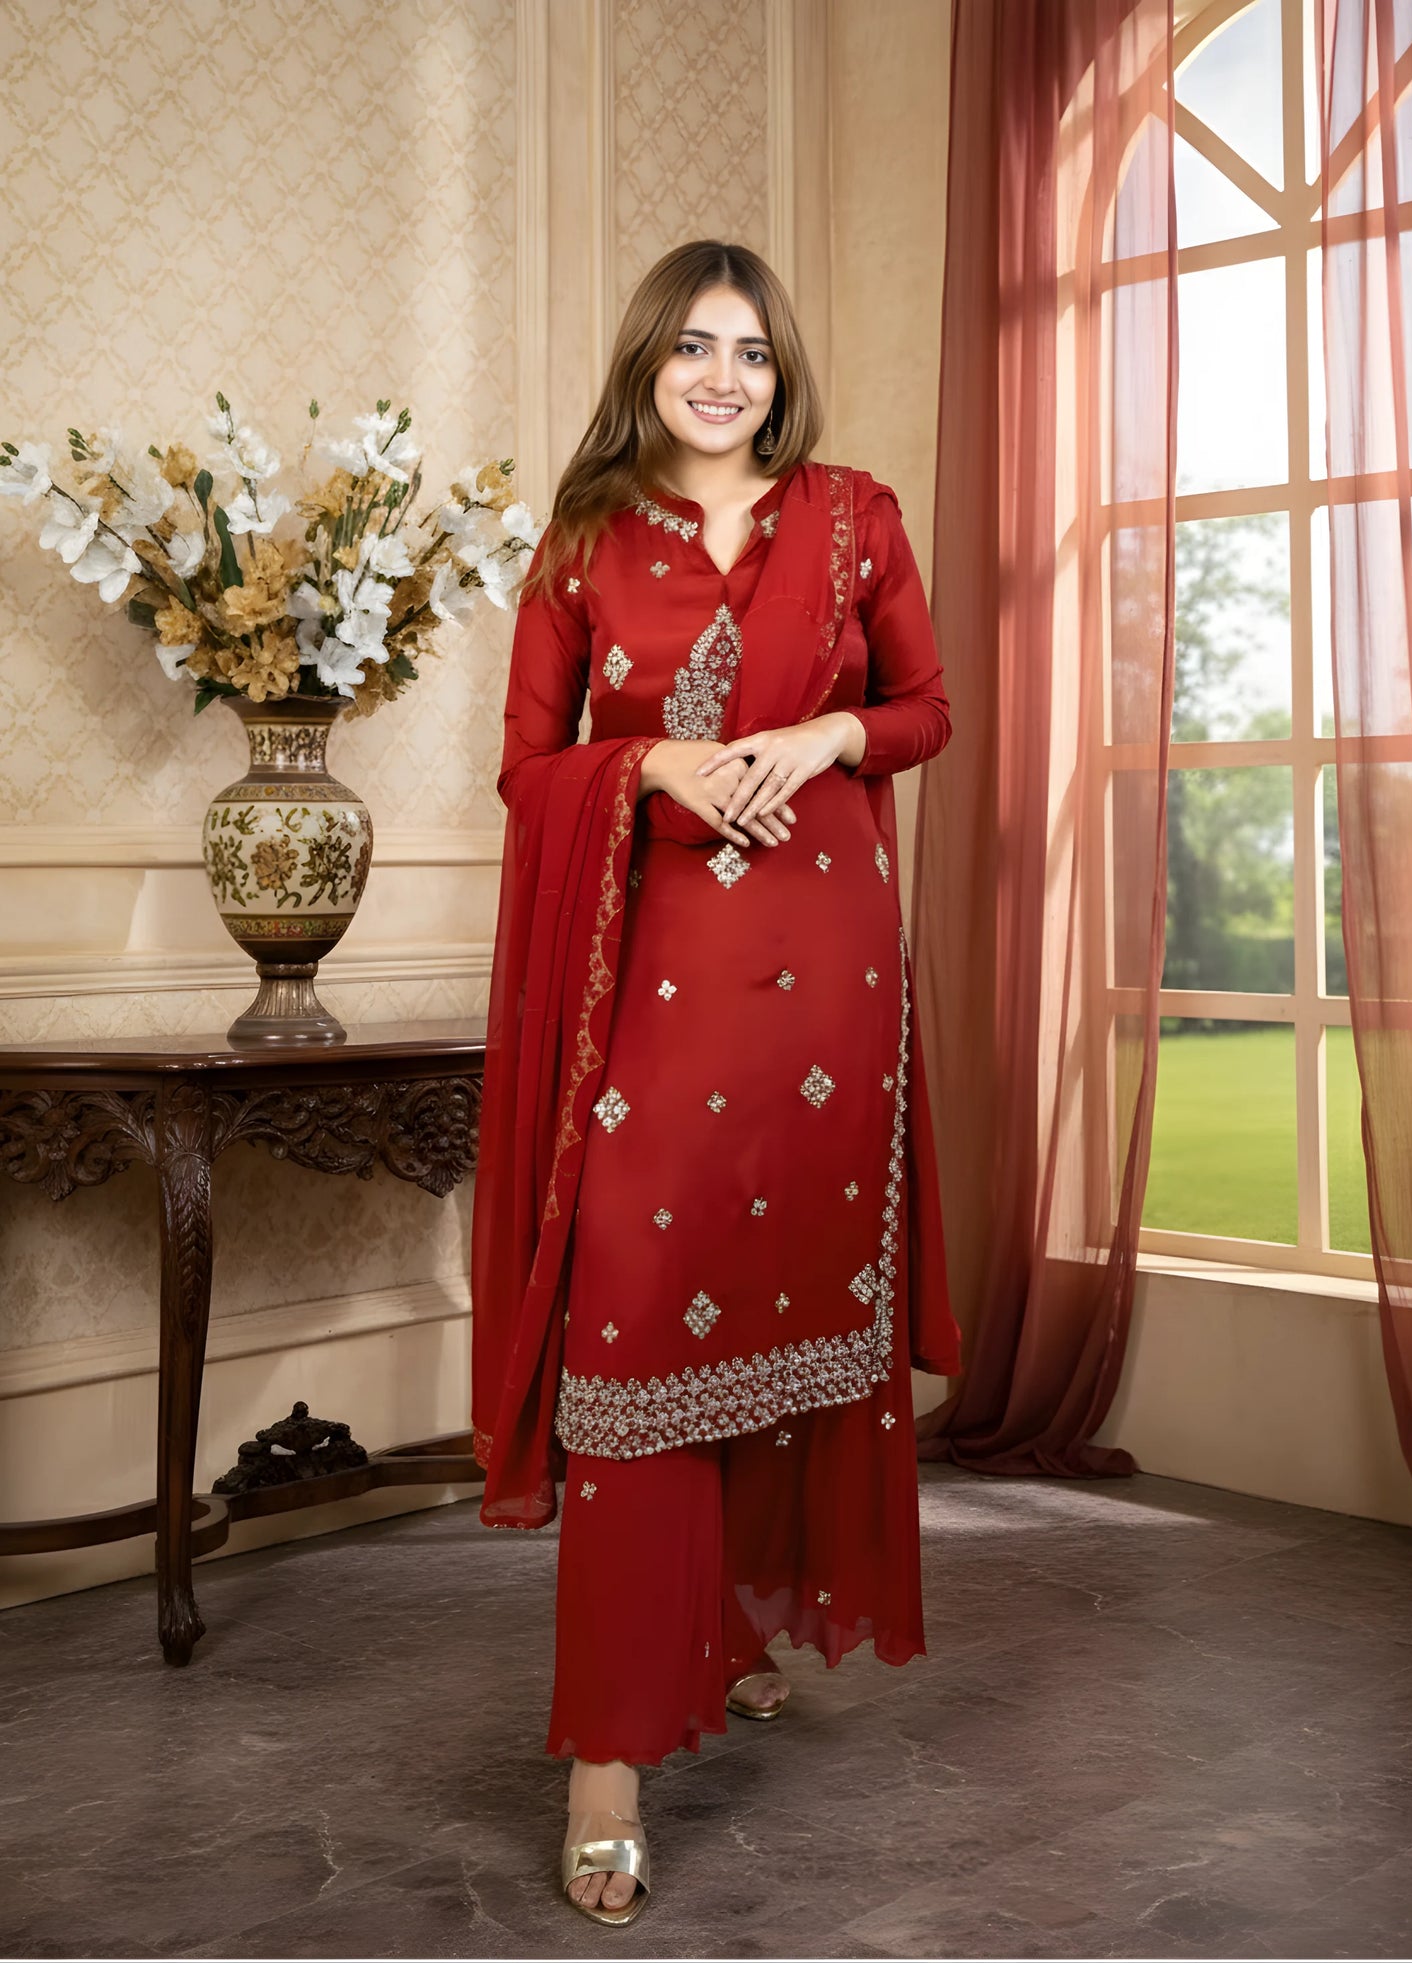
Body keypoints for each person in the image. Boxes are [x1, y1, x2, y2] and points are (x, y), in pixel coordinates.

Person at [469, 238, 962, 1928]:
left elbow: (925, 708)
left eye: (750, 351)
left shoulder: (856, 517)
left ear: (779, 372)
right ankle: (609, 1755)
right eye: (692, 346)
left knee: (774, 1299)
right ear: (647, 364)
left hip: (826, 978)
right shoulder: (585, 541)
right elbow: (526, 769)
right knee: (636, 1320)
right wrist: (657, 762)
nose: (723, 377)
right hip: (654, 984)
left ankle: (735, 1623)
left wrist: (824, 737)